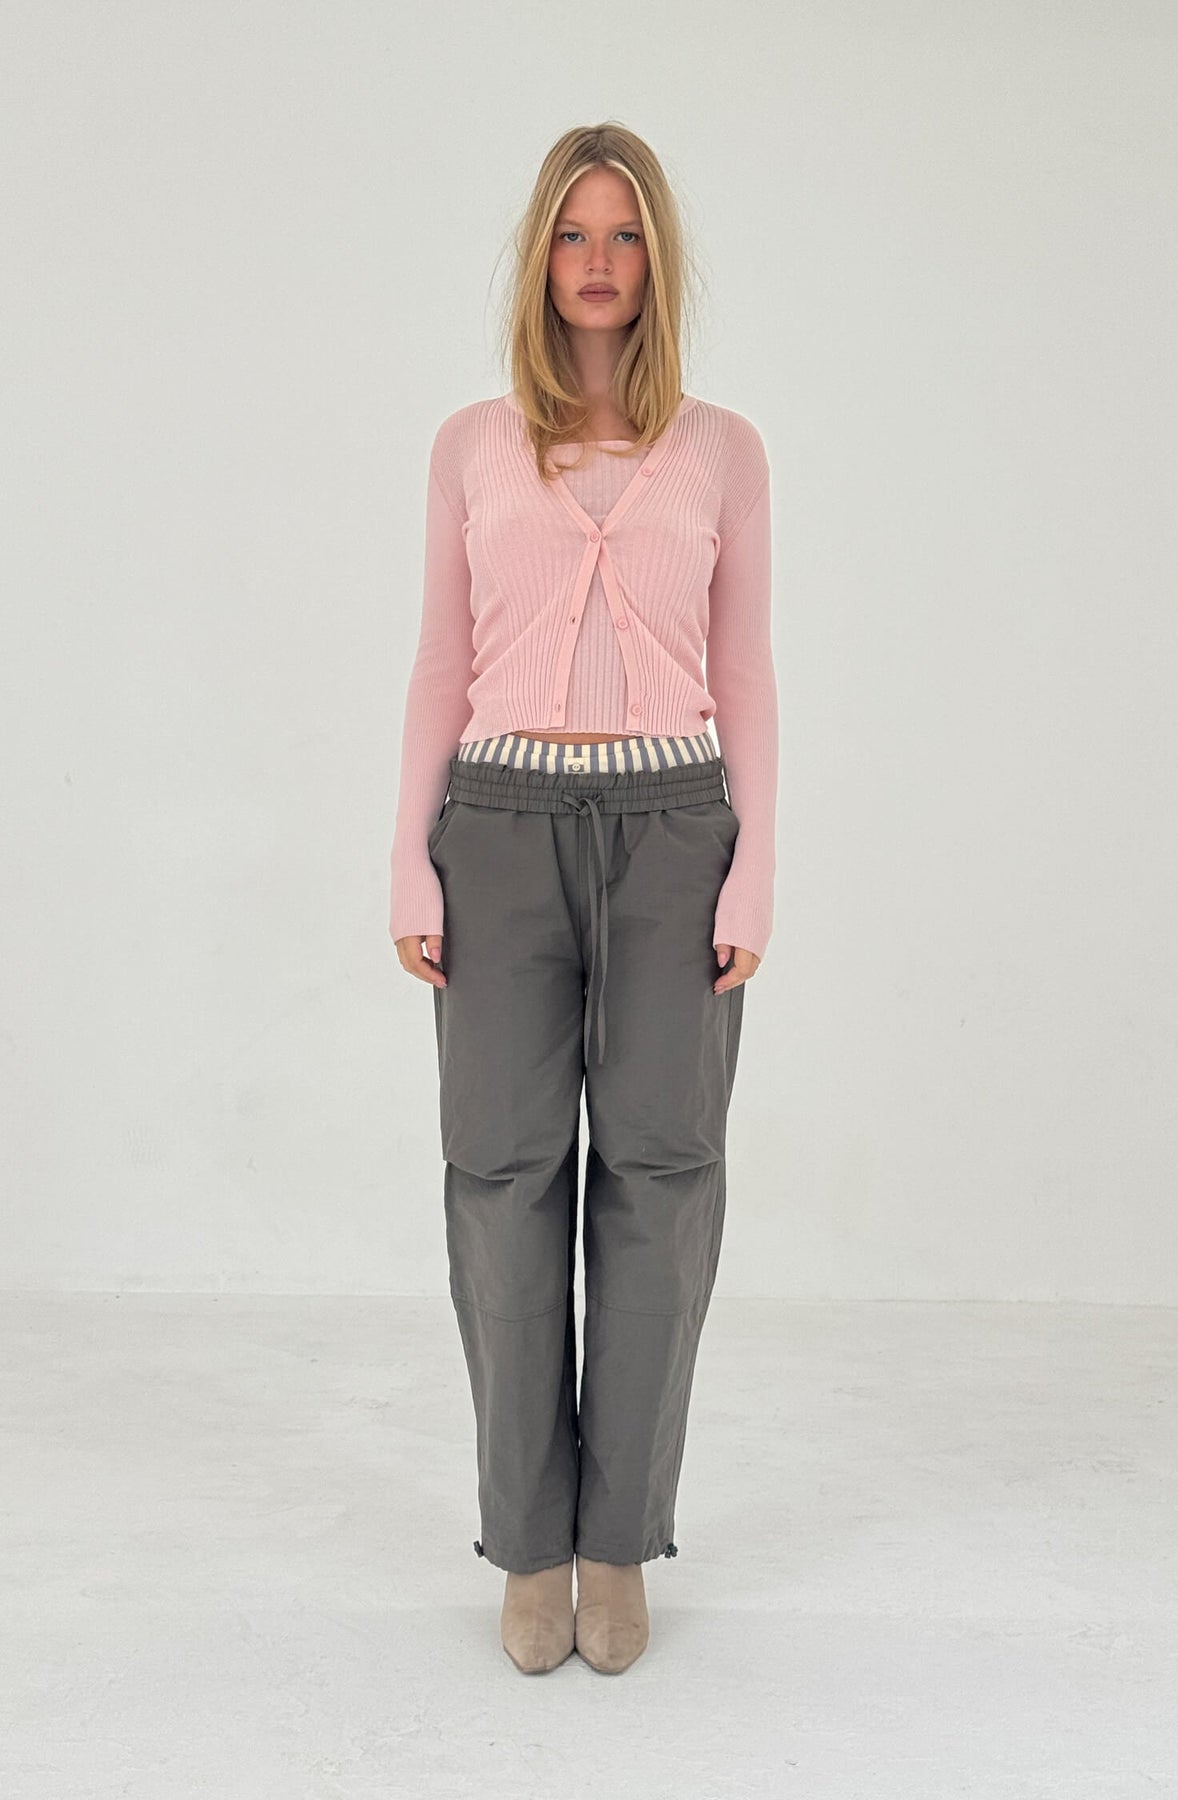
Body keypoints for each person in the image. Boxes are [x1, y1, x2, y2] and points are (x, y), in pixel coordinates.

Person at [388, 122, 779, 1675]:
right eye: (571, 233)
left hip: (677, 825)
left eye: (622, 235)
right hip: (498, 824)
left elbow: (746, 669)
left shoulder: (725, 449)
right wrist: (407, 854)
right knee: (501, 1177)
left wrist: (756, 865)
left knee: (663, 1181)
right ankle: (528, 1546)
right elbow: (441, 659)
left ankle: (619, 1541)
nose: (597, 261)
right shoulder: (472, 445)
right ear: (540, 258)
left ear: (655, 258)